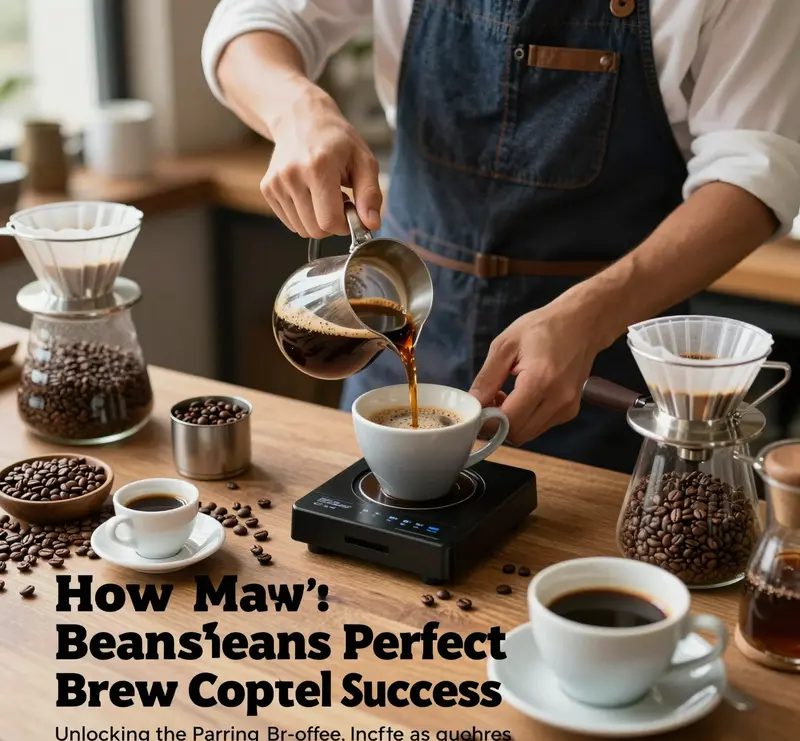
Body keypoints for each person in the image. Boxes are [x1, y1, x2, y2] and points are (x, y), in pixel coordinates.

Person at [203, 0, 800, 472]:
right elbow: (252, 22)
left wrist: (594, 315)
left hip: (599, 362)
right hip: (397, 322)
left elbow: (756, 170)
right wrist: (297, 110)